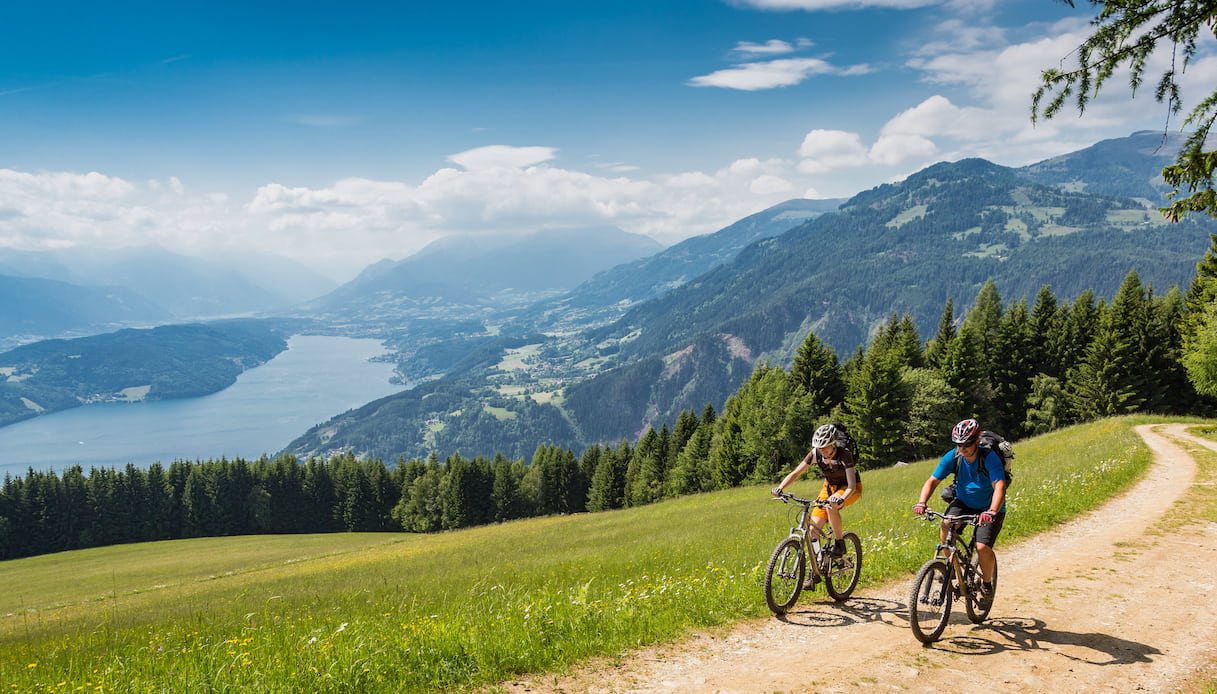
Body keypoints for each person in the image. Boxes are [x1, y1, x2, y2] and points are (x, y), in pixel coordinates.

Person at [912, 417, 1007, 601]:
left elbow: (1000, 486)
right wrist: (921, 502)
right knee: (946, 524)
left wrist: (992, 511)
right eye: (958, 444)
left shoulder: (989, 457)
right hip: (963, 501)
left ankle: (987, 583)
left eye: (966, 444)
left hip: (989, 507)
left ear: (977, 440)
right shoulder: (954, 456)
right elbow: (933, 481)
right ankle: (952, 569)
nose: (962, 448)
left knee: (982, 546)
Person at [772, 422, 863, 588]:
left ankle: (839, 543)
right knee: (813, 529)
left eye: (826, 447)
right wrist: (780, 488)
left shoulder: (845, 454)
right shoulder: (816, 454)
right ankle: (815, 571)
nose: (822, 451)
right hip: (828, 488)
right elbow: (796, 473)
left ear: (834, 444)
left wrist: (841, 499)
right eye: (819, 448)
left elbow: (851, 486)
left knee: (830, 506)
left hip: (849, 489)